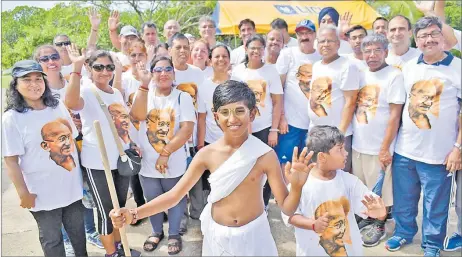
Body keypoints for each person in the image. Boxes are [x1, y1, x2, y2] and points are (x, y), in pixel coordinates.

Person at [109, 80, 315, 256]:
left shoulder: (264, 155)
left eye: (239, 111)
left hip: (255, 234)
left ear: (252, 114)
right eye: (225, 112)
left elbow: (287, 207)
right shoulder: (207, 155)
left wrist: (296, 186)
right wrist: (134, 213)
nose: (232, 119)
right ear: (216, 117)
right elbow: (174, 195)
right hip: (219, 237)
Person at [385, 16, 461, 257]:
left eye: (433, 33)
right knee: (404, 199)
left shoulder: (458, 68)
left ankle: (431, 245)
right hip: (405, 150)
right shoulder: (409, 67)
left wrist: (458, 147)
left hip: (439, 154)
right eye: (422, 36)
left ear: (443, 37)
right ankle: (404, 232)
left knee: (435, 205)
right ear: (416, 40)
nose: (428, 39)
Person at [2, 60, 87, 257]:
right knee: (52, 240)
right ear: (15, 84)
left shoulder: (57, 106)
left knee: (78, 235)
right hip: (41, 193)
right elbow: (11, 160)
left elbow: (75, 141)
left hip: (71, 188)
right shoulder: (12, 118)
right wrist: (23, 193)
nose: (34, 84)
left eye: (38, 79)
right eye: (27, 80)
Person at [64, 46, 138, 257]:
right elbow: (70, 103)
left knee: (119, 208)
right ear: (90, 69)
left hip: (121, 160)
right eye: (99, 67)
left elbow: (121, 124)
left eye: (109, 67)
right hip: (98, 162)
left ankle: (120, 246)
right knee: (105, 211)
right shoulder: (86, 91)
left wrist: (130, 142)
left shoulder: (115, 92)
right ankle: (110, 252)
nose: (105, 71)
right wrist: (76, 67)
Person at [284, 125, 387, 256]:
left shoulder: (350, 181)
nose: (346, 153)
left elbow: (373, 207)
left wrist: (379, 212)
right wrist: (313, 224)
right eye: (340, 149)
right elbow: (290, 216)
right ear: (322, 157)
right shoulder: (300, 184)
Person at [128, 56, 195, 255]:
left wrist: (165, 153)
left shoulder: (182, 97)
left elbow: (187, 129)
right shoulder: (142, 94)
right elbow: (136, 117)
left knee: (175, 198)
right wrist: (144, 84)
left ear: (174, 73)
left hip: (173, 160)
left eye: (168, 69)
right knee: (152, 198)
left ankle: (174, 233)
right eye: (158, 70)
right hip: (147, 161)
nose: (163, 73)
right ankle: (156, 231)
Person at [351, 34, 406, 247]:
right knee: (365, 188)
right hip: (359, 144)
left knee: (381, 190)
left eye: (376, 50)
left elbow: (395, 115)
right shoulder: (362, 74)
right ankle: (367, 217)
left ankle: (380, 224)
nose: (372, 55)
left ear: (385, 52)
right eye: (367, 51)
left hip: (379, 146)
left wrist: (385, 148)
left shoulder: (393, 75)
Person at [232, 34, 283, 212]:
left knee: (266, 166)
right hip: (244, 128)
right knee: (243, 166)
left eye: (259, 48)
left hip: (265, 127)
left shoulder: (270, 71)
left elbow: (277, 102)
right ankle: (245, 202)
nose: (256, 51)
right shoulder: (238, 72)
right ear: (245, 49)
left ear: (264, 50)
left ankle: (263, 204)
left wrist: (274, 130)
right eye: (252, 48)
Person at [308, 25, 360, 174]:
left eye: (330, 41)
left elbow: (350, 102)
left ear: (338, 43)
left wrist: (340, 136)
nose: (325, 45)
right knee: (319, 174)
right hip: (316, 132)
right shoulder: (317, 65)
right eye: (322, 41)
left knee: (338, 175)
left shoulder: (347, 66)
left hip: (336, 134)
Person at [169, 32, 206, 233]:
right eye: (178, 47)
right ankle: (180, 218)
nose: (183, 51)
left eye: (186, 47)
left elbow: (201, 113)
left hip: (191, 139)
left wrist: (200, 142)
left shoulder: (197, 74)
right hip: (172, 139)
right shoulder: (164, 71)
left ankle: (198, 213)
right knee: (177, 180)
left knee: (195, 178)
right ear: (169, 50)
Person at [275, 19, 321, 172]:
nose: (304, 36)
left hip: (315, 125)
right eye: (301, 33)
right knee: (285, 164)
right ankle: (283, 196)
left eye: (308, 33)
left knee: (310, 166)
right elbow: (278, 88)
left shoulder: (322, 56)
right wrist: (281, 117)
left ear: (315, 35)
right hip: (291, 124)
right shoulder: (288, 54)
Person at [197, 45, 232, 211]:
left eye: (224, 56)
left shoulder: (237, 82)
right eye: (217, 57)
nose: (221, 60)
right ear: (210, 61)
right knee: (214, 179)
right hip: (212, 140)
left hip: (235, 141)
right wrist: (200, 144)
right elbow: (202, 117)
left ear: (229, 60)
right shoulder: (204, 86)